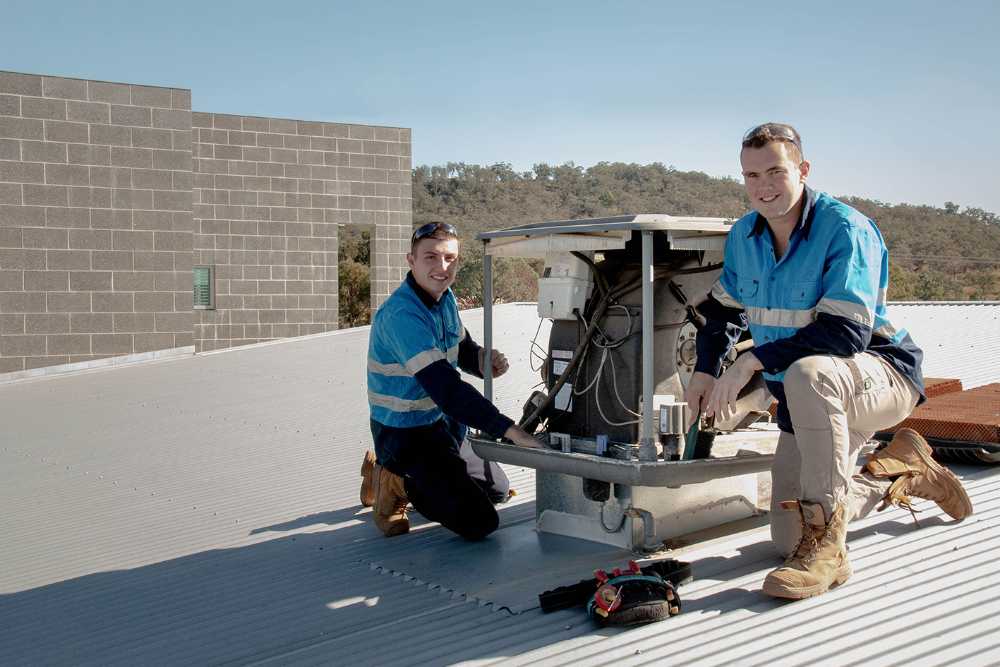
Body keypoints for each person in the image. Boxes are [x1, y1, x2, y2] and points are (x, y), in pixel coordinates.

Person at [684, 122, 972, 599]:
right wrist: (704, 369)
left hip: (877, 377)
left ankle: (830, 555)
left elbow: (845, 333)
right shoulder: (744, 236)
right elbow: (720, 314)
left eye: (775, 171)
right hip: (806, 399)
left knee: (808, 371)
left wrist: (749, 362)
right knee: (787, 538)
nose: (763, 187)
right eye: (751, 176)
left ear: (803, 169)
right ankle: (904, 472)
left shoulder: (845, 228)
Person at [358, 221, 540, 540]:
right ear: (411, 261)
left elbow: (460, 346)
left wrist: (481, 360)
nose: (442, 267)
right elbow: (446, 388)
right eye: (430, 257)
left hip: (442, 423)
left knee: (496, 491)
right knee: (479, 522)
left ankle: (422, 479)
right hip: (405, 434)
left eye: (450, 258)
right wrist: (510, 430)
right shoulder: (402, 316)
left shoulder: (445, 298)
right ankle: (392, 478)